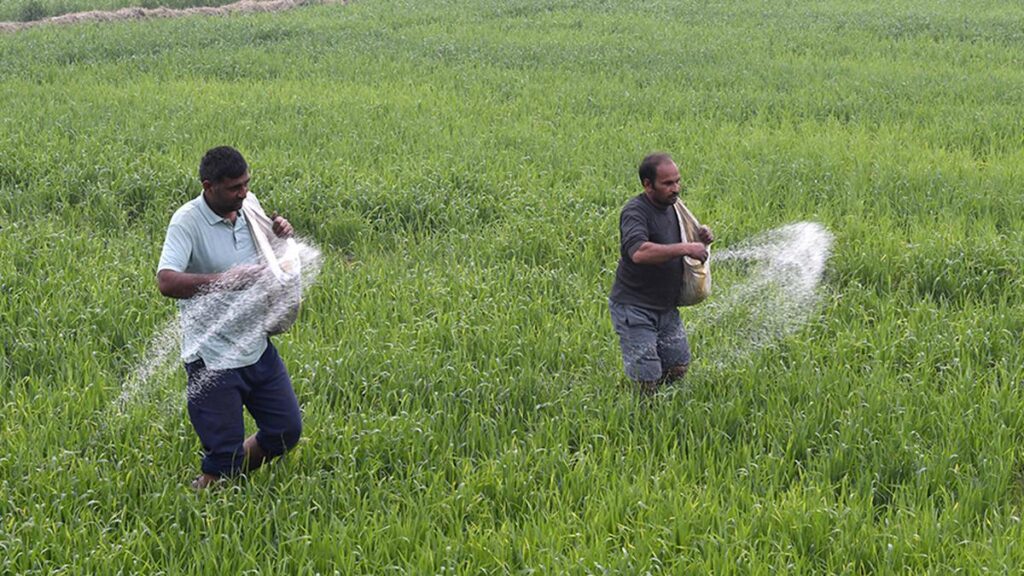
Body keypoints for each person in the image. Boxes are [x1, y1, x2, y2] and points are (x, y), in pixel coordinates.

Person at [157, 146, 302, 490]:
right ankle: (206, 499)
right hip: (213, 358)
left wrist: (279, 235)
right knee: (223, 453)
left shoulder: (248, 208)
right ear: (209, 186)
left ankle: (230, 480)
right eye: (235, 187)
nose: (244, 193)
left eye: (246, 184)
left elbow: (270, 253)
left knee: (285, 430)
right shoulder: (187, 222)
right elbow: (166, 281)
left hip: (256, 345)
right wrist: (225, 281)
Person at [609, 152, 714, 395]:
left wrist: (700, 238)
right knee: (646, 379)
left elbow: (684, 235)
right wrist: (686, 248)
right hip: (634, 308)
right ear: (647, 185)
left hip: (666, 307)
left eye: (677, 181)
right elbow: (639, 252)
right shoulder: (635, 212)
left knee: (677, 368)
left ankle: (666, 410)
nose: (675, 188)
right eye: (667, 183)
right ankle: (640, 417)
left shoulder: (674, 207)